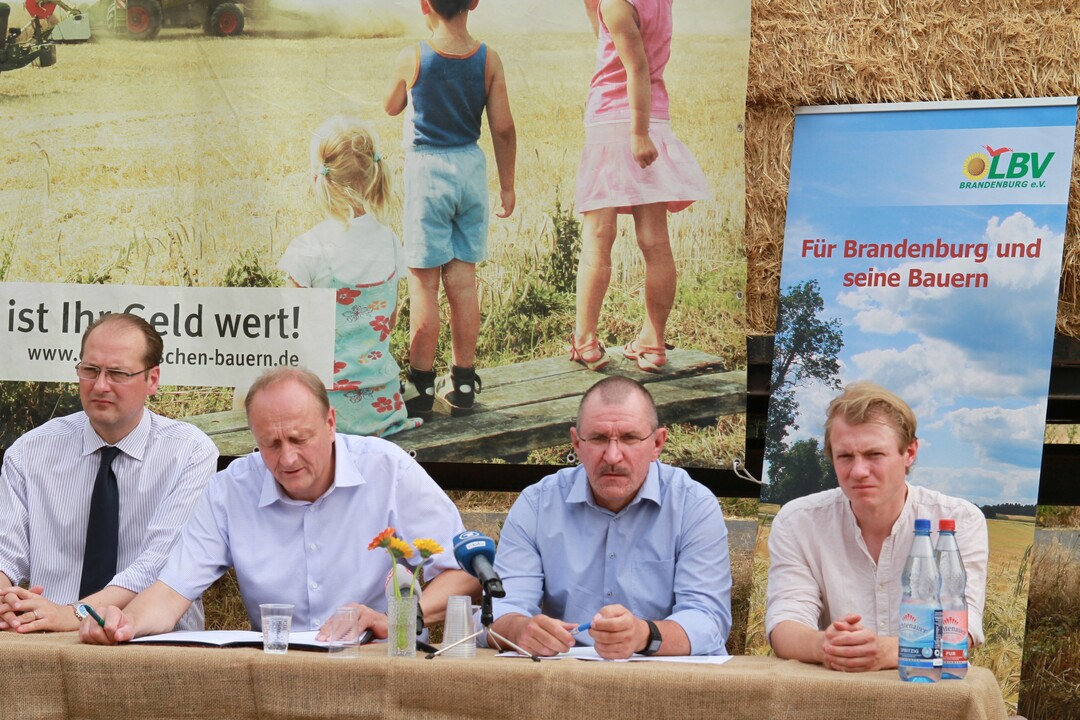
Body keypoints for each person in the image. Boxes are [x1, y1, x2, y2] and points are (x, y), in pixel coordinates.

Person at [79, 367, 478, 645]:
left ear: (331, 422)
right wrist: (125, 623)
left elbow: (464, 574)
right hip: (279, 672)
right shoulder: (232, 489)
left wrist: (397, 619)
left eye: (300, 439)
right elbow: (172, 592)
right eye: (270, 443)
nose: (286, 459)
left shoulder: (388, 470)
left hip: (377, 663)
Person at [0, 313, 218, 633]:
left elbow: (157, 567)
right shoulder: (30, 452)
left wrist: (74, 613)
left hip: (154, 642)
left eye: (117, 373)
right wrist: (7, 601)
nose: (100, 385)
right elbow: (5, 552)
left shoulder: (190, 453)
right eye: (90, 370)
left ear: (152, 379)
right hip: (46, 638)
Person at [490, 375, 731, 658]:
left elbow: (708, 620)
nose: (613, 456)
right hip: (564, 674)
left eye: (629, 438)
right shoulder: (537, 504)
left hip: (664, 677)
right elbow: (501, 610)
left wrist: (644, 635)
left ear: (657, 443)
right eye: (598, 438)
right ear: (576, 443)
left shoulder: (693, 505)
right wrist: (521, 630)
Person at [765, 381, 988, 672]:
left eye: (874, 455)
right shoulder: (797, 521)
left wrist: (884, 652)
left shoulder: (959, 520)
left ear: (909, 453)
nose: (858, 471)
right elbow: (785, 621)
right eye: (845, 456)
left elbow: (961, 629)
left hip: (929, 695)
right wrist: (825, 646)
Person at [383, 0, 516, 419]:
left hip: (428, 171)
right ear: (474, 2)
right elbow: (504, 126)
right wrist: (508, 185)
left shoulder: (414, 56)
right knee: (463, 281)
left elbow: (390, 106)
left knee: (424, 284)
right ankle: (461, 382)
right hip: (470, 169)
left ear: (425, 3)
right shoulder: (488, 57)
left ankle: (420, 386)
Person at [571, 0, 710, 374]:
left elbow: (636, 67)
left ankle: (584, 340)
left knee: (598, 237)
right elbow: (612, 44)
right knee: (655, 242)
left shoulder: (616, 5)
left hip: (617, 124)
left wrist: (638, 132)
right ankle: (653, 341)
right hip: (653, 117)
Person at [279, 115, 419, 438]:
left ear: (319, 178)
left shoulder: (308, 250)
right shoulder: (389, 242)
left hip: (325, 415)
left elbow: (290, 336)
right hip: (382, 409)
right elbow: (389, 319)